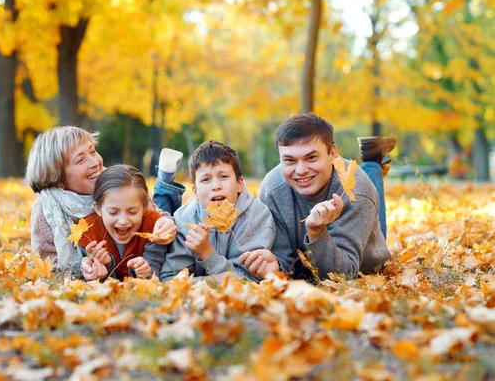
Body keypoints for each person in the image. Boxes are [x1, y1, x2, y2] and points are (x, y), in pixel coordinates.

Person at [240, 114, 392, 280]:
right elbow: (284, 259)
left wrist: (317, 232)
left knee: (370, 190)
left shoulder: (357, 189)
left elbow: (344, 275)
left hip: (362, 260)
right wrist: (276, 265)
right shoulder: (271, 189)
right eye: (290, 160)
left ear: (332, 153)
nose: (301, 170)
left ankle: (373, 161)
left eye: (311, 158)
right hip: (309, 265)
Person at [25, 126, 178, 279]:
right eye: (80, 160)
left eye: (92, 151)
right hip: (110, 262)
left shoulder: (110, 180)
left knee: (166, 209)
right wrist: (82, 269)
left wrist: (165, 221)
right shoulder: (47, 209)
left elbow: (148, 210)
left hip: (134, 248)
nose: (95, 163)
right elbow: (47, 264)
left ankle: (165, 184)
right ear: (57, 178)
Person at [160, 141, 276, 282]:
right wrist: (215, 281)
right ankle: (164, 183)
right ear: (195, 191)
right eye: (206, 179)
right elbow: (169, 279)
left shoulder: (257, 216)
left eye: (223, 177)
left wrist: (207, 254)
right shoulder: (184, 219)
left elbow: (247, 281)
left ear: (240, 184)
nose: (216, 186)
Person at [77, 165, 169, 280]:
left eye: (132, 212)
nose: (123, 221)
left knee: (167, 202)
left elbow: (155, 274)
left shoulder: (153, 228)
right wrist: (104, 266)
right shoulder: (88, 231)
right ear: (98, 209)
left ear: (144, 208)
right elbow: (78, 271)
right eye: (113, 212)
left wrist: (145, 272)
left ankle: (167, 184)